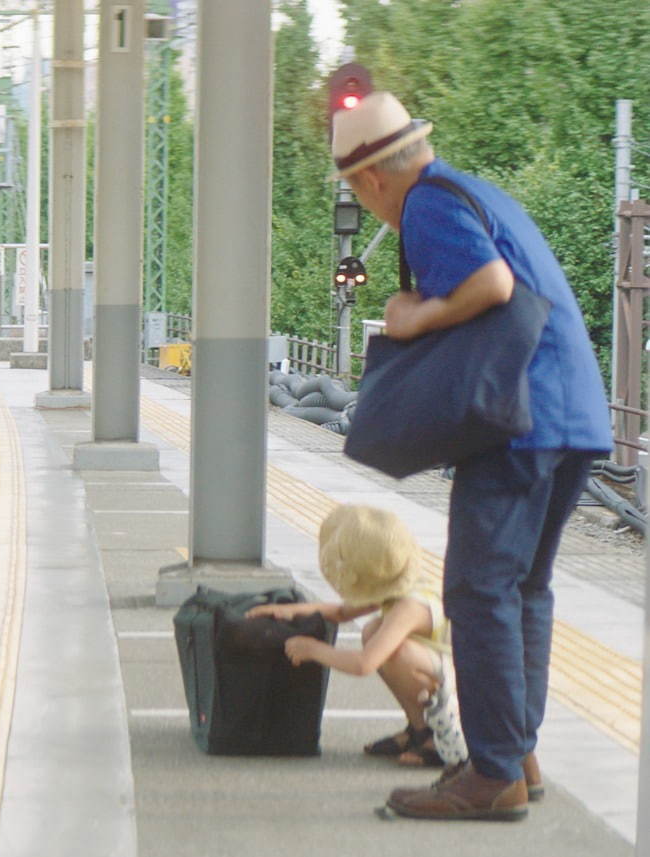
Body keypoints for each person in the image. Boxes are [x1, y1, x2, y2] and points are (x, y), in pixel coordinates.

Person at [329, 92, 613, 821]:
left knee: (479, 590)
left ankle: (491, 773)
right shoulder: (479, 190)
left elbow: (492, 285)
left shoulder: (426, 203)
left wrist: (414, 314)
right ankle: (516, 753)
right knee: (524, 590)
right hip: (572, 410)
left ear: (368, 182)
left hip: (517, 419)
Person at [248, 504, 466, 769]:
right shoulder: (396, 581)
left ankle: (435, 739)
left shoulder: (410, 606)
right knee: (373, 630)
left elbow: (364, 664)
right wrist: (287, 611)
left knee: (394, 651)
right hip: (444, 670)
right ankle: (417, 729)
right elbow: (340, 612)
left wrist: (313, 649)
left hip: (463, 686)